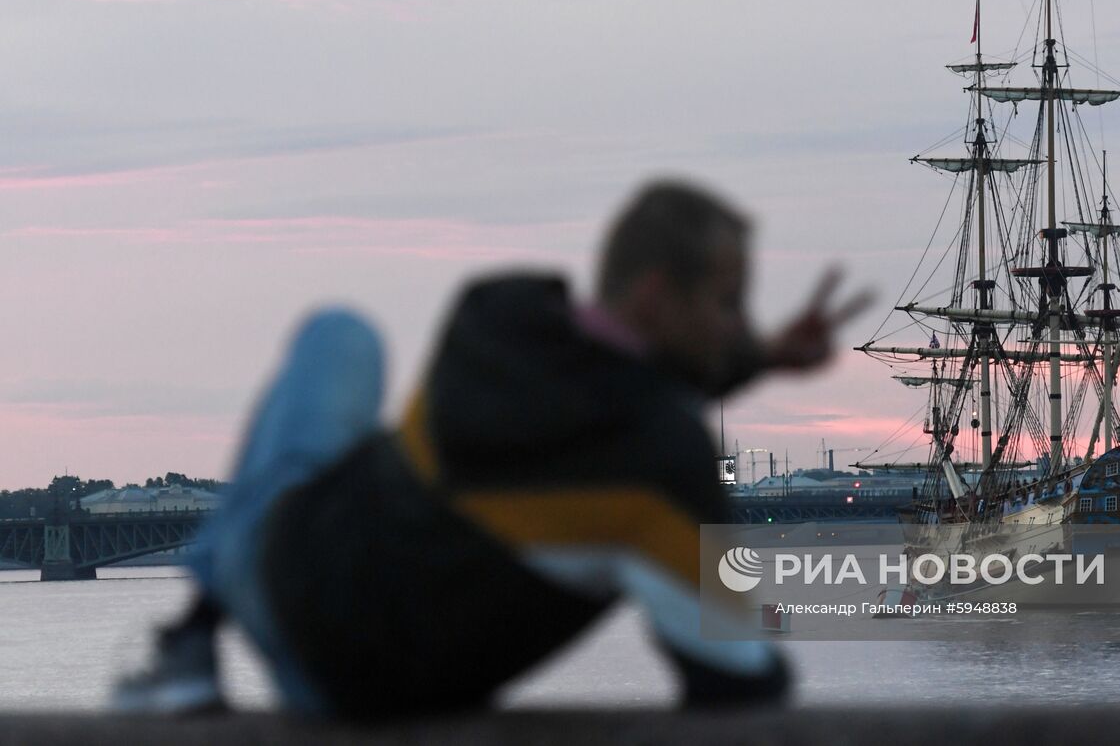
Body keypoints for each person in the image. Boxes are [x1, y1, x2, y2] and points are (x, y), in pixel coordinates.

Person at [114, 180, 870, 718]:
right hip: (364, 694)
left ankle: (188, 641)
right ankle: (193, 629)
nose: (738, 324)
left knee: (339, 337)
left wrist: (752, 357)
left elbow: (595, 399)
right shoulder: (662, 468)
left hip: (279, 577)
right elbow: (736, 682)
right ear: (655, 294)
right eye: (727, 300)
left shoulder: (491, 319)